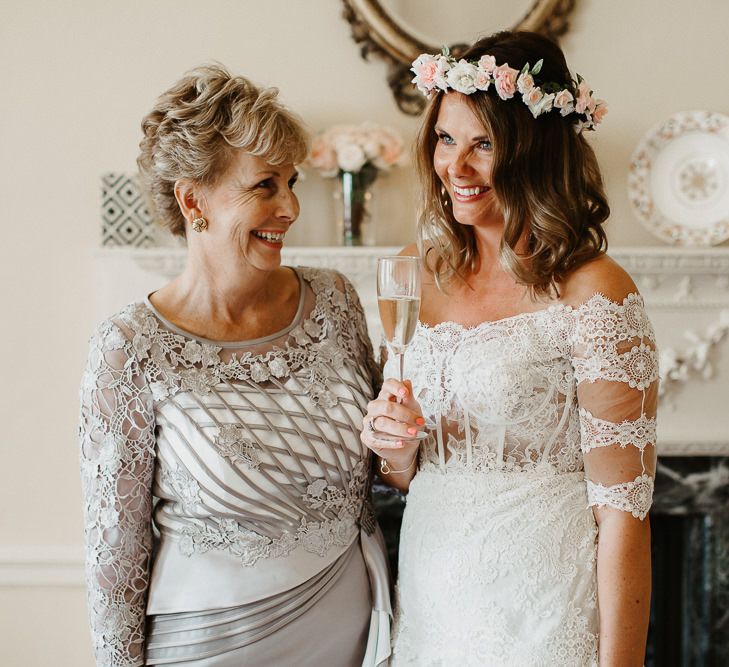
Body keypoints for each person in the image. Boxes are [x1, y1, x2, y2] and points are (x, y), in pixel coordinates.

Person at [361, 31, 657, 666]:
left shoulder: (595, 293)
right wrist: (395, 449)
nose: (456, 168)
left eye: (483, 145)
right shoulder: (409, 275)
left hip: (543, 608)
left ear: (535, 152)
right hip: (432, 602)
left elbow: (625, 514)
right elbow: (404, 476)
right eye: (445, 139)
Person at [79, 64, 390, 667]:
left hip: (351, 631)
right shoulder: (128, 348)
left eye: (291, 182)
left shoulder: (334, 301)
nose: (291, 206)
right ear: (193, 199)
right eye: (265, 186)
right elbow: (115, 554)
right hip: (213, 645)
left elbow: (378, 475)